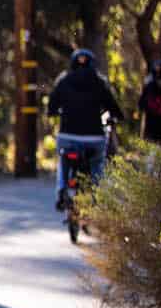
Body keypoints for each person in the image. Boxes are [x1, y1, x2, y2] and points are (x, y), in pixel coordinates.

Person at [47, 47, 125, 211]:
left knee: (63, 161)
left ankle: (61, 190)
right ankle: (98, 197)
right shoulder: (99, 81)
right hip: (93, 137)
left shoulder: (64, 80)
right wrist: (118, 117)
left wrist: (53, 112)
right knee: (97, 163)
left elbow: (52, 105)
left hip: (67, 135)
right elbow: (112, 105)